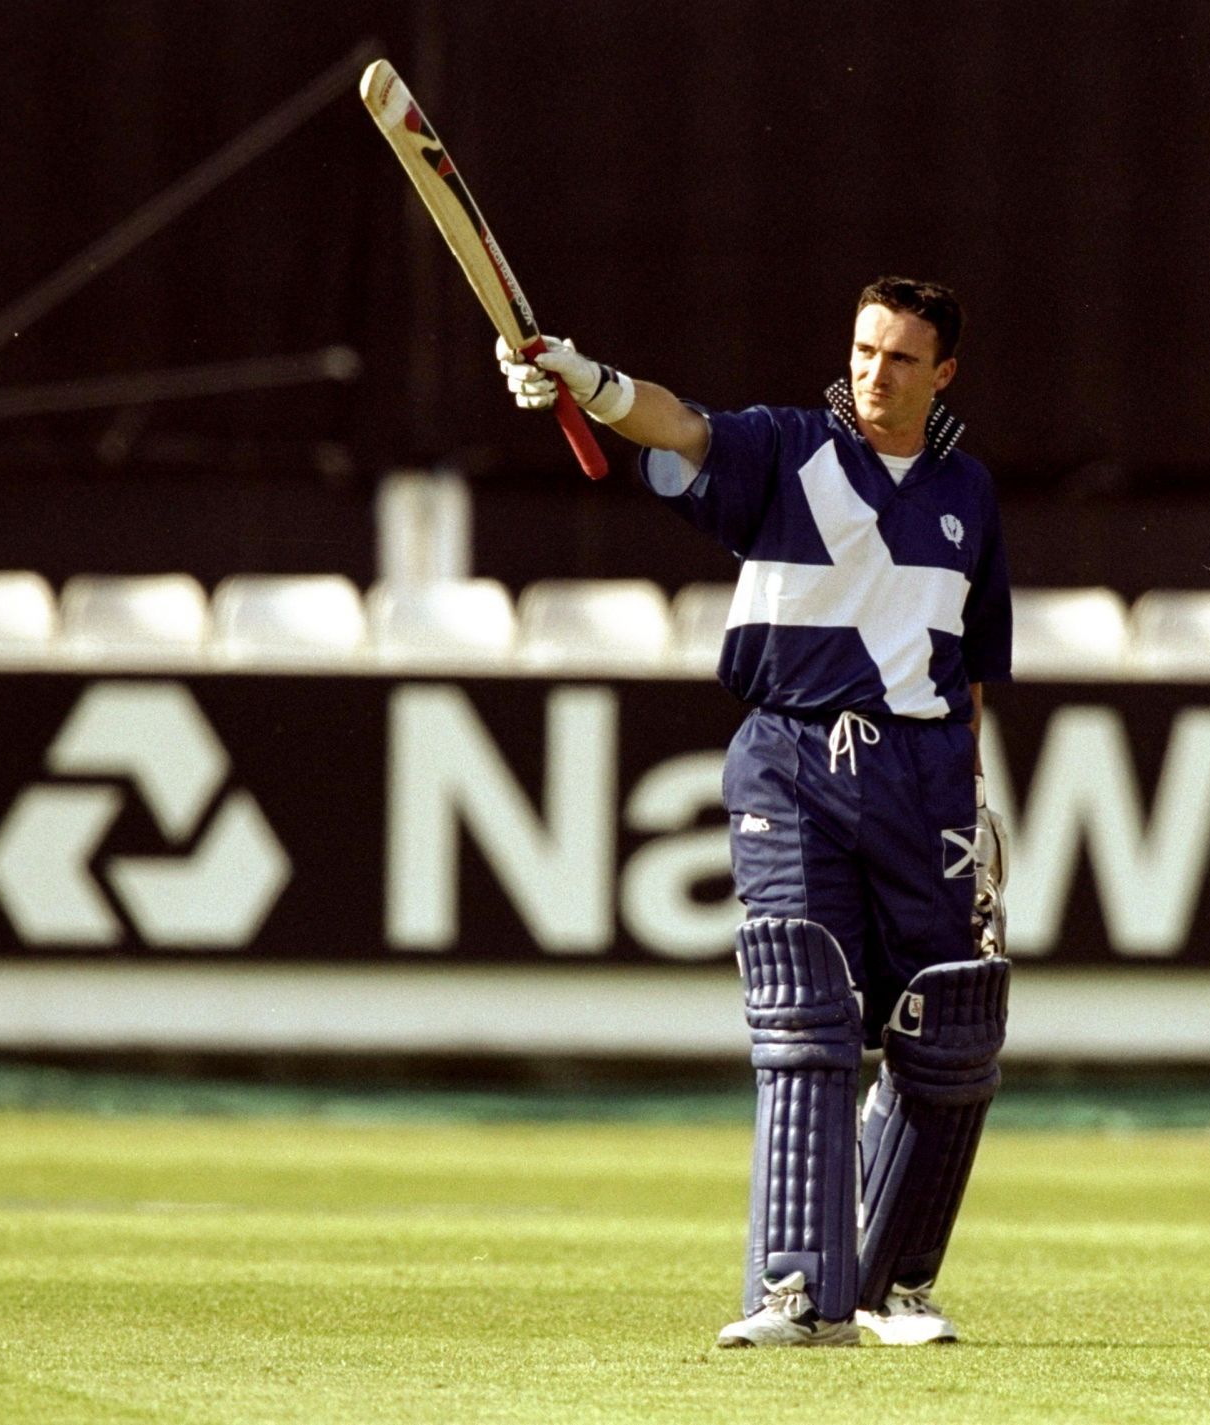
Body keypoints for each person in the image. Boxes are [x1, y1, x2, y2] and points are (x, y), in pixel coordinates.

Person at [497, 277, 1012, 1348]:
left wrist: (972, 798)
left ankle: (890, 1291)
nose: (876, 373)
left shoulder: (971, 492)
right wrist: (582, 380)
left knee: (949, 1025)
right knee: (806, 1002)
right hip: (792, 757)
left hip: (925, 778)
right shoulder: (787, 452)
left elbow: (971, 672)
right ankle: (793, 1293)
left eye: (903, 358)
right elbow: (673, 424)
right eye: (866, 350)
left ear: (945, 372)